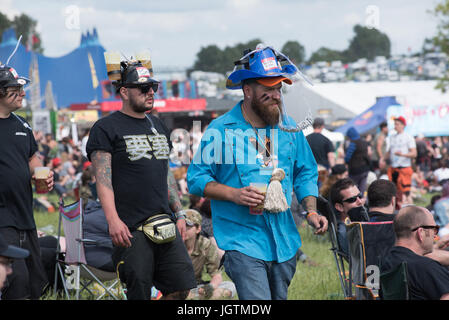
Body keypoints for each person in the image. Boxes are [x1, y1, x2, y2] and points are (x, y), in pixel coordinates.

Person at [187, 45, 327, 300]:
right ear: (248, 91)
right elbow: (196, 180)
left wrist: (312, 210)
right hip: (242, 240)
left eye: (278, 89)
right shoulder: (221, 130)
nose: (275, 95)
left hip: (284, 240)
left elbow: (306, 171)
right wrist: (234, 194)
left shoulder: (289, 128)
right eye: (268, 89)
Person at [86, 58, 195, 300]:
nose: (150, 93)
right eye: (143, 88)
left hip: (164, 222)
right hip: (131, 228)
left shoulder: (157, 124)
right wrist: (113, 221)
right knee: (139, 293)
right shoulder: (106, 127)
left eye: (153, 87)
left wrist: (178, 213)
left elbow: (165, 172)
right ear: (124, 92)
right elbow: (103, 180)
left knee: (181, 288)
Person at [0, 64, 54, 299]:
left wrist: (43, 172)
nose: (23, 93)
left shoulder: (22, 124)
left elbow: (33, 157)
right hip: (2, 219)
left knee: (35, 283)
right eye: (16, 89)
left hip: (26, 217)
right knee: (16, 280)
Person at [380, 205, 449, 300]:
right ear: (420, 233)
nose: (434, 235)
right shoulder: (426, 268)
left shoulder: (385, 261)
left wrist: (436, 247)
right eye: (434, 229)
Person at [183, 209, 236, 300]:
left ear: (198, 229)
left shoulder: (205, 245)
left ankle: (194, 297)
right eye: (181, 224)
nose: (183, 228)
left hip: (195, 287)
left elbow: (216, 275)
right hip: (173, 287)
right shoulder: (172, 244)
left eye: (188, 226)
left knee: (230, 286)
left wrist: (210, 288)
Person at [330, 178, 367, 255]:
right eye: (352, 200)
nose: (359, 202)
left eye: (360, 196)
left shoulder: (364, 218)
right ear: (339, 207)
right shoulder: (344, 233)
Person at [385, 116, 417, 208]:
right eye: (394, 124)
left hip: (404, 168)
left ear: (403, 125)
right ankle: (396, 210)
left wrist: (402, 155)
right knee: (394, 192)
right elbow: (389, 151)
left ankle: (408, 211)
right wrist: (382, 159)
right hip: (393, 168)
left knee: (405, 193)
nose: (395, 126)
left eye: (397, 124)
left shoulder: (408, 137)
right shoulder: (392, 137)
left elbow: (414, 153)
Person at [344, 127, 371, 195]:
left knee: (353, 189)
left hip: (355, 170)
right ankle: (362, 202)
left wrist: (346, 162)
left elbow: (347, 157)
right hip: (365, 169)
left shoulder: (353, 143)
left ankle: (355, 203)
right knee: (362, 189)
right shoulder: (364, 142)